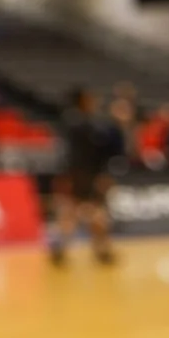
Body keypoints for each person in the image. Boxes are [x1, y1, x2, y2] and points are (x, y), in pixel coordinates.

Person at [49, 88, 116, 268]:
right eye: (90, 99)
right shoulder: (82, 125)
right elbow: (83, 154)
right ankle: (99, 249)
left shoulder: (71, 122)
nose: (94, 102)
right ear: (82, 101)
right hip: (82, 175)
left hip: (77, 174)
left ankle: (64, 247)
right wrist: (99, 175)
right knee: (89, 212)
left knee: (79, 212)